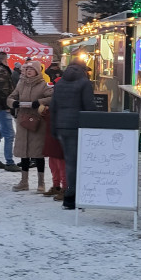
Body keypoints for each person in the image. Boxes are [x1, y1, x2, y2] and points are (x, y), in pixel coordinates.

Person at [49, 62, 96, 210]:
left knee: (70, 161)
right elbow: (89, 106)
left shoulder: (61, 82)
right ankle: (72, 197)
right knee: (78, 163)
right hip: (78, 126)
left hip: (62, 126)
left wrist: (54, 128)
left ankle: (71, 196)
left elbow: (53, 106)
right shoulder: (84, 83)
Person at [6, 61, 53, 192]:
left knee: (38, 153)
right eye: (26, 69)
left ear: (37, 71)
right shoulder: (20, 84)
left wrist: (39, 102)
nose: (28, 71)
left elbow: (52, 97)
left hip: (37, 122)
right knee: (24, 152)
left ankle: (41, 183)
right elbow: (10, 97)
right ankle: (24, 181)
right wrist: (13, 103)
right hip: (23, 121)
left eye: (31, 69)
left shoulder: (43, 84)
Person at [40, 102, 66, 200]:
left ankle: (65, 188)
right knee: (53, 163)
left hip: (61, 135)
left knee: (61, 164)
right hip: (51, 135)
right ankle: (56, 186)